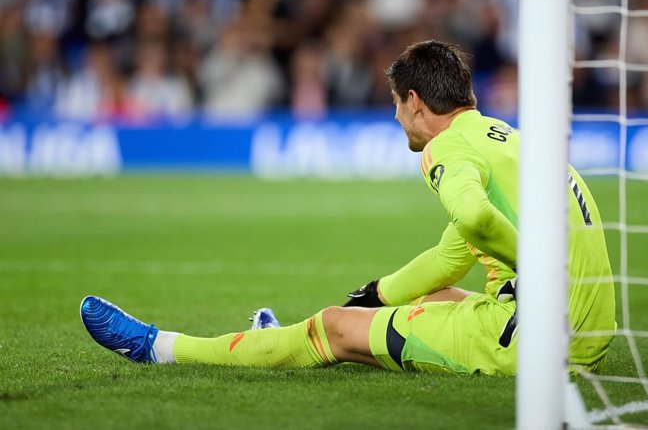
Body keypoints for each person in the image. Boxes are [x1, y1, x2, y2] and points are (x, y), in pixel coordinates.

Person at [81, 40, 616, 375]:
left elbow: (475, 218)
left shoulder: (444, 148)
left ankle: (163, 347)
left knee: (334, 327)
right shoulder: (507, 141)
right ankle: (312, 334)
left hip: (535, 338)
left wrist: (541, 271)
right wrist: (378, 294)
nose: (396, 118)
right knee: (416, 300)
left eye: (395, 105)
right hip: (587, 331)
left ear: (414, 101)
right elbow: (453, 255)